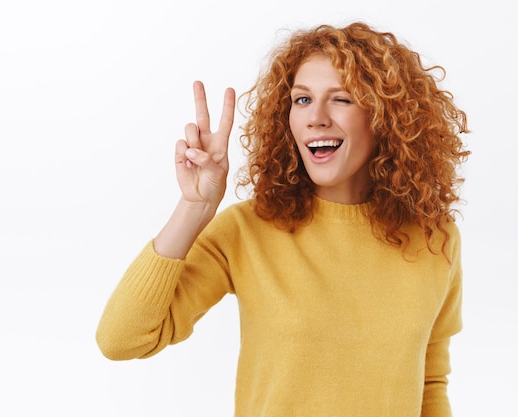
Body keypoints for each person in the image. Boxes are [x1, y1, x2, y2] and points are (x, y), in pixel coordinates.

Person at [96, 21, 469, 416]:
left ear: (385, 116)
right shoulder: (248, 230)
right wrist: (194, 208)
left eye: (341, 99)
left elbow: (430, 383)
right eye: (302, 100)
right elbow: (122, 339)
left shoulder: (435, 238)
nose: (316, 118)